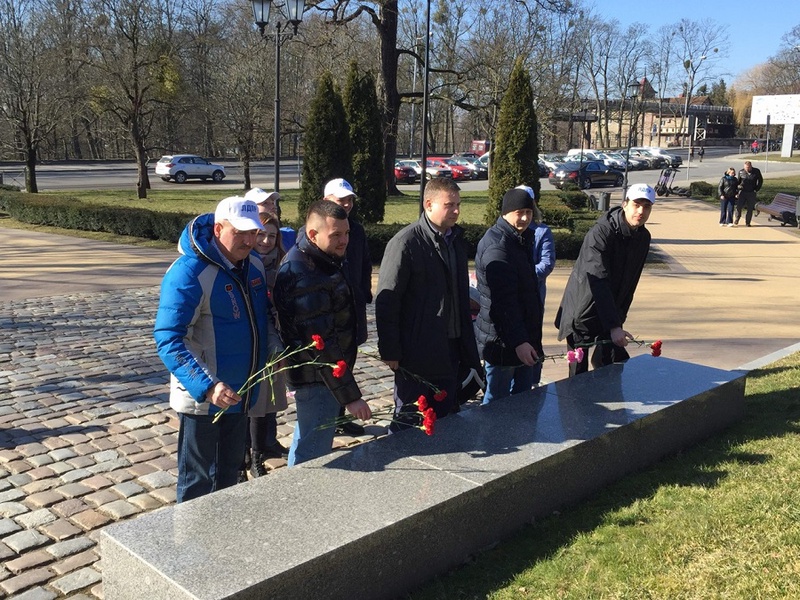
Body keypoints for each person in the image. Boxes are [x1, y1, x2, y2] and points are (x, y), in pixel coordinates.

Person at [154, 196, 280, 502]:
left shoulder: (253, 267)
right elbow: (169, 337)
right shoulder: (189, 272)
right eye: (240, 233)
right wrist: (207, 386)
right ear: (219, 228)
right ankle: (189, 543)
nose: (250, 240)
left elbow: (261, 318)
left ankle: (222, 539)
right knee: (198, 480)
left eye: (253, 232)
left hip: (241, 392)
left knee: (228, 476)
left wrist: (275, 348)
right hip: (205, 400)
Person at [375, 177, 481, 428]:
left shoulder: (454, 241)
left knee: (444, 417)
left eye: (458, 204)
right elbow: (388, 301)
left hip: (451, 349)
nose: (456, 211)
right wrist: (390, 350)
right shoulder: (405, 243)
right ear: (428, 204)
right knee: (412, 421)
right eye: (449, 205)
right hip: (417, 352)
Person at [273, 200, 372, 466]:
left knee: (309, 440)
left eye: (347, 233)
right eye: (336, 235)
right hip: (316, 378)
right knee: (312, 453)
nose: (344, 241)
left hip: (320, 376)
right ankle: (303, 502)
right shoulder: (305, 273)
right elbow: (322, 343)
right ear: (313, 234)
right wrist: (351, 397)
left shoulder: (321, 259)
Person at [554, 183, 655, 377]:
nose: (641, 211)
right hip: (582, 310)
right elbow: (598, 279)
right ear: (625, 204)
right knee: (578, 377)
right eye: (636, 205)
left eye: (647, 206)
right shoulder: (601, 233)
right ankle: (574, 405)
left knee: (611, 369)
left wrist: (619, 320)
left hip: (610, 314)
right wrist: (614, 325)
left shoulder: (642, 237)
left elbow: (631, 282)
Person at [475, 188, 543, 403]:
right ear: (506, 213)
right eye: (519, 212)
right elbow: (504, 303)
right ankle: (492, 437)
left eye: (529, 212)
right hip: (504, 341)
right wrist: (520, 341)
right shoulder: (499, 246)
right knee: (497, 402)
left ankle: (518, 436)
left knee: (521, 400)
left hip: (520, 336)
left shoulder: (518, 239)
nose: (525, 218)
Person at [323, 178, 373, 436]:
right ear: (326, 201)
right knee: (332, 367)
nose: (347, 204)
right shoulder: (318, 230)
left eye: (349, 199)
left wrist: (364, 292)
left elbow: (364, 263)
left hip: (353, 308)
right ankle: (328, 419)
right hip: (331, 313)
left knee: (348, 364)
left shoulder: (357, 230)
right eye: (340, 199)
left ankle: (341, 417)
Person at [244, 212, 289, 478]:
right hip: (249, 341)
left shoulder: (282, 264)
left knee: (266, 404)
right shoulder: (246, 264)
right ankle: (245, 457)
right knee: (248, 404)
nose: (266, 240)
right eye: (261, 234)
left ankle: (261, 451)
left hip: (273, 338)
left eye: (272, 235)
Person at [517, 184, 555, 386]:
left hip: (534, 298)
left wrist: (523, 277)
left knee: (533, 339)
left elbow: (547, 264)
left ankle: (533, 381)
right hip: (511, 299)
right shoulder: (503, 232)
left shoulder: (542, 232)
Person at [735, 160, 763, 227]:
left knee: (750, 208)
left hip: (751, 192)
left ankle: (748, 222)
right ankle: (737, 219)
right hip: (743, 192)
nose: (747, 169)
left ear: (751, 166)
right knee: (739, 207)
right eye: (745, 168)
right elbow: (738, 182)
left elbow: (760, 181)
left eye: (748, 168)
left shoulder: (756, 171)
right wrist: (738, 189)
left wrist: (756, 189)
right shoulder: (741, 172)